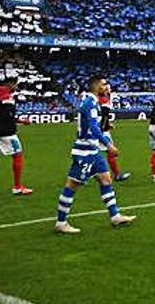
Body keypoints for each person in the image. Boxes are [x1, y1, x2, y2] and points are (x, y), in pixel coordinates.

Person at [54, 75, 136, 234]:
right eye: (104, 84)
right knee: (72, 185)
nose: (106, 86)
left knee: (106, 179)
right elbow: (93, 127)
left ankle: (115, 216)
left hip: (93, 150)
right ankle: (61, 222)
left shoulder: (92, 102)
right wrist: (108, 144)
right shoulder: (90, 103)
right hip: (85, 151)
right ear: (97, 86)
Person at [98, 83, 131, 181]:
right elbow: (104, 116)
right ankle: (117, 175)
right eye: (107, 88)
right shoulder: (104, 101)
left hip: (96, 129)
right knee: (111, 152)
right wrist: (104, 127)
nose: (109, 90)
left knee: (92, 153)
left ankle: (82, 175)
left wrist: (107, 125)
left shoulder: (97, 99)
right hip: (101, 131)